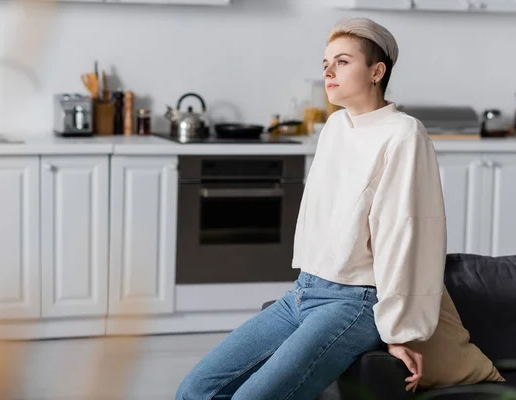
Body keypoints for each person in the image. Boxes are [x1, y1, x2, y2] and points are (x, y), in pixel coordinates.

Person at [176, 17, 447, 400]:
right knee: (193, 391)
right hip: (303, 291)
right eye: (325, 64)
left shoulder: (404, 134)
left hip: (352, 302)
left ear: (376, 71)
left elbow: (406, 235)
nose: (328, 72)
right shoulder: (335, 127)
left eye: (342, 61)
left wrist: (400, 333)